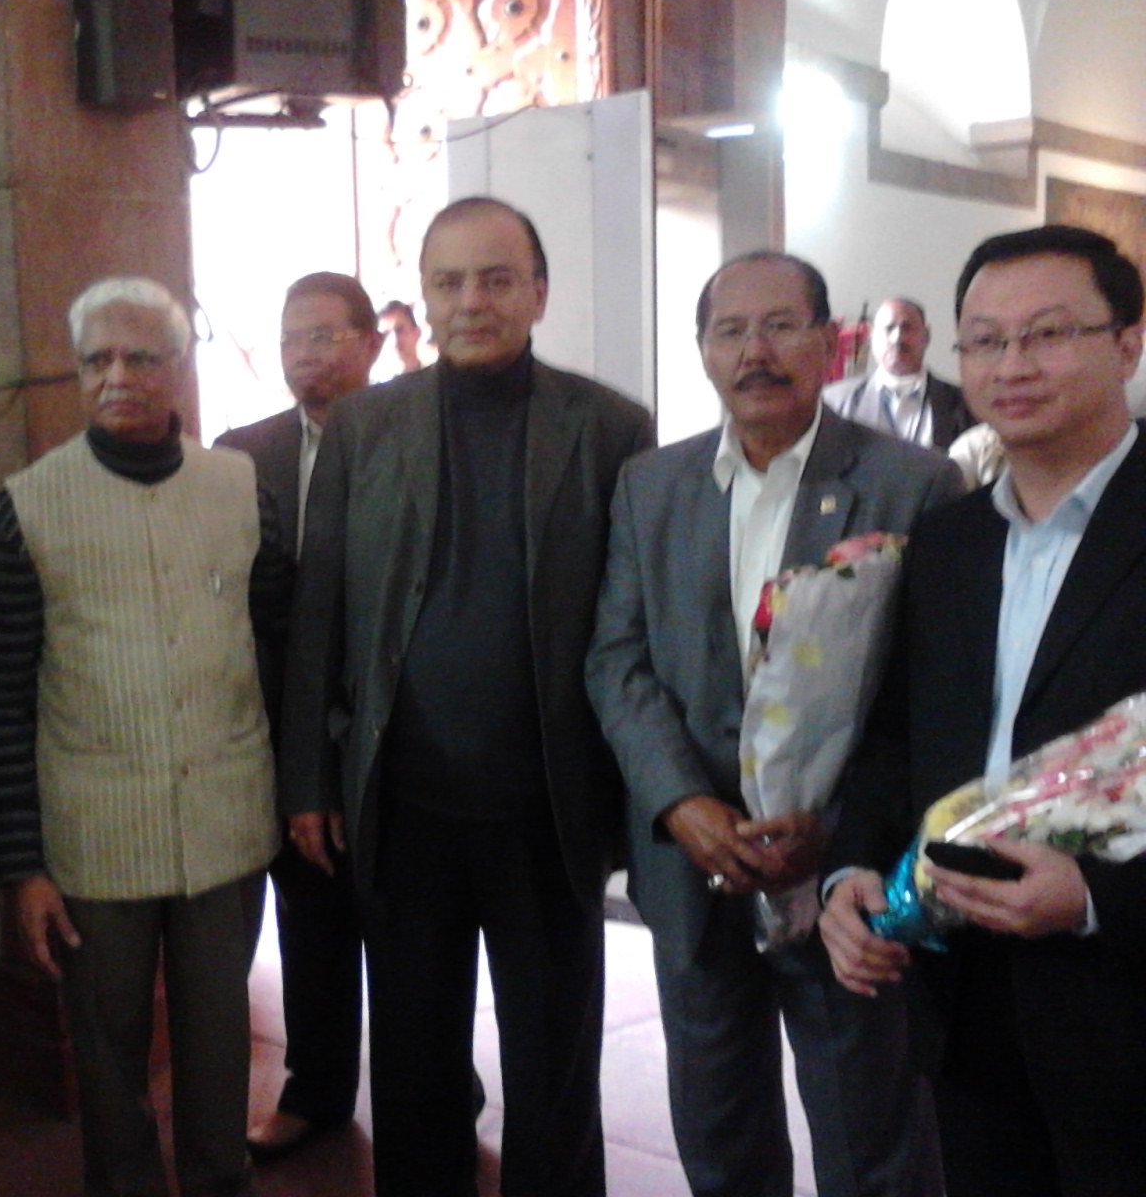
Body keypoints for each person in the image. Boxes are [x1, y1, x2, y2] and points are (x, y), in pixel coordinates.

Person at [282, 196, 652, 1197]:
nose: (472, 300)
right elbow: (321, 609)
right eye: (449, 281)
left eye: (496, 278)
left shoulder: (611, 427)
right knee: (410, 1060)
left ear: (538, 291)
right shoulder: (366, 424)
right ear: (425, 300)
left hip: (547, 810)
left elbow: (636, 626)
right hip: (400, 810)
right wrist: (309, 779)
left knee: (553, 1062)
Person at [585, 251, 958, 1197]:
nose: (755, 351)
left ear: (833, 345)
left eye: (781, 325)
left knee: (870, 1134)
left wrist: (837, 831)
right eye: (729, 331)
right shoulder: (650, 486)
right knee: (718, 1133)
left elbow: (929, 695)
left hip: (836, 872)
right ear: (704, 352)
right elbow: (617, 661)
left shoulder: (913, 486)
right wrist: (681, 805)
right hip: (691, 869)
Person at [820, 225, 1146, 1197]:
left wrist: (1095, 902)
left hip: (1122, 996)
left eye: (1047, 334)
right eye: (986, 341)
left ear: (1127, 343)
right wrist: (848, 870)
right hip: (962, 995)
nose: (1012, 366)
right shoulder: (950, 541)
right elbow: (895, 740)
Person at [0, 276, 291, 1197]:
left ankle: (217, 1181)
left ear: (180, 367)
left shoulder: (240, 488)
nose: (117, 376)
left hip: (228, 825)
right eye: (96, 360)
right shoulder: (27, 506)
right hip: (93, 838)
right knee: (109, 1060)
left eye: (141, 356)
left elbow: (276, 637)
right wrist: (22, 865)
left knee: (219, 1044)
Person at [215, 272, 382, 1160]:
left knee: (412, 934)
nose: (303, 356)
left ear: (372, 344)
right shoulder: (242, 451)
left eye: (322, 336)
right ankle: (316, 1093)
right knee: (310, 929)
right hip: (285, 730)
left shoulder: (414, 435)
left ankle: (444, 1089)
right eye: (290, 340)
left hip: (398, 734)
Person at [824, 297, 976, 450]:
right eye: (889, 328)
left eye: (907, 328)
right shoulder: (834, 402)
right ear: (872, 336)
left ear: (926, 336)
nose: (897, 338)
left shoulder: (966, 405)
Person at [378, 299, 425, 374]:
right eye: (385, 334)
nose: (392, 340)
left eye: (399, 330)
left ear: (416, 333)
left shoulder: (436, 379)